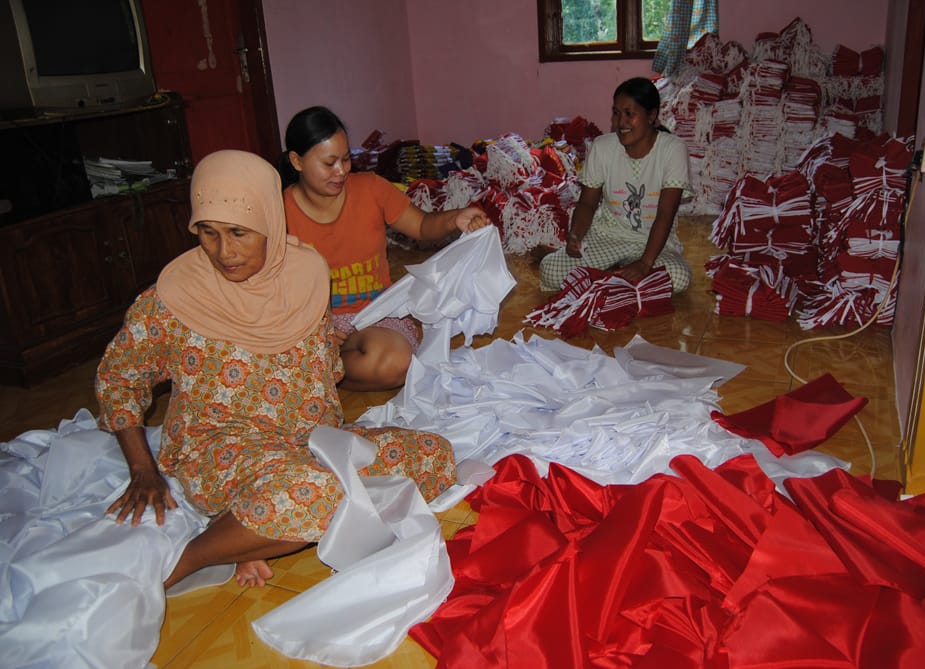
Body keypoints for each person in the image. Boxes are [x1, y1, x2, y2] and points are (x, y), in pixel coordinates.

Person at [96, 149, 457, 589]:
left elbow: (320, 362)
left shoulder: (305, 274)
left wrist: (333, 348)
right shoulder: (171, 299)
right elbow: (119, 378)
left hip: (309, 443)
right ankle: (192, 557)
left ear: (270, 219)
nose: (223, 252)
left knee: (433, 455)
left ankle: (255, 533)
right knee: (319, 498)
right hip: (223, 451)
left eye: (239, 233)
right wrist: (143, 470)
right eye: (207, 233)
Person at [279, 106, 489, 392]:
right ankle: (322, 365)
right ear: (297, 161)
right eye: (329, 163)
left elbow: (422, 225)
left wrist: (456, 217)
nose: (341, 171)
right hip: (311, 324)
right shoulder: (279, 212)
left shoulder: (371, 189)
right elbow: (273, 288)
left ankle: (321, 374)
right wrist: (318, 328)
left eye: (346, 159)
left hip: (375, 314)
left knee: (397, 363)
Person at [539, 77, 693, 294]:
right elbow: (587, 204)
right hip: (608, 237)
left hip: (654, 244)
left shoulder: (672, 149)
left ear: (651, 116)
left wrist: (645, 263)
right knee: (551, 271)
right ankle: (620, 278)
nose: (621, 122)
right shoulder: (602, 147)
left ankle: (606, 279)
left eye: (630, 114)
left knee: (678, 278)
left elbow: (665, 213)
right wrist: (575, 235)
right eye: (616, 113)